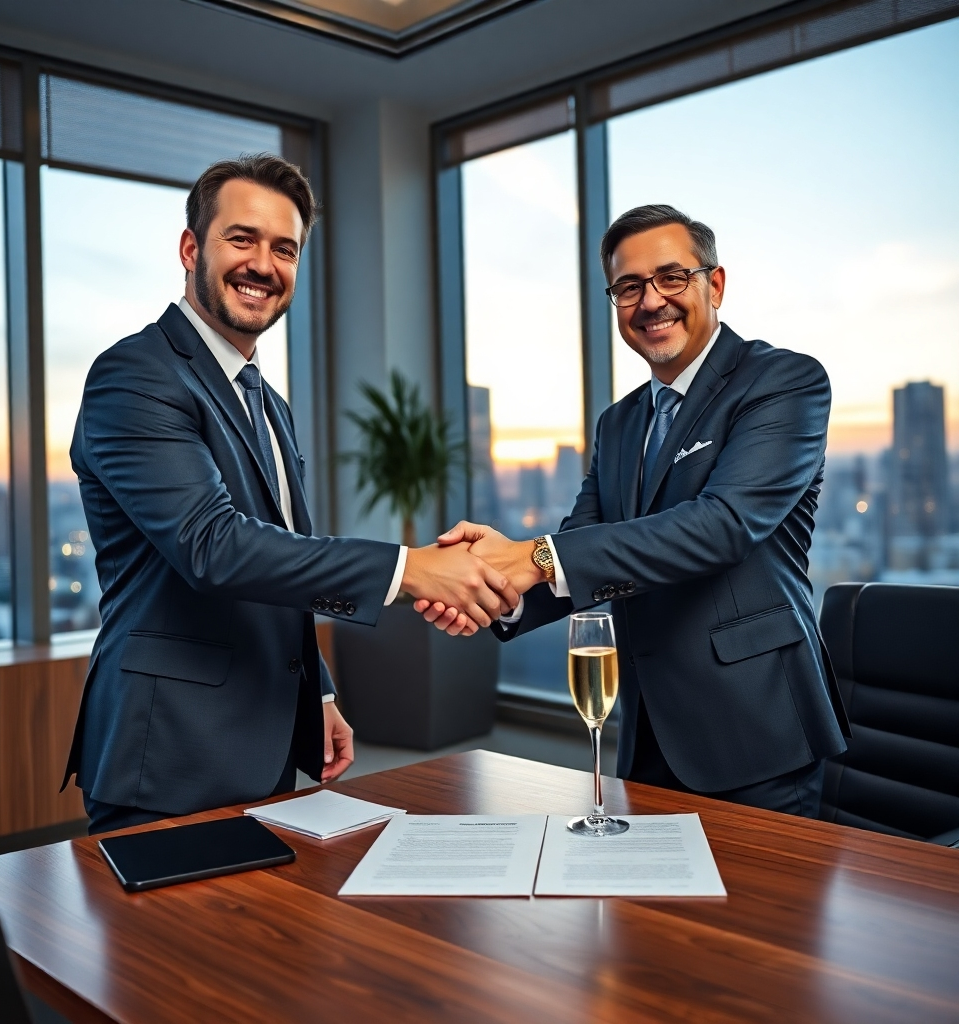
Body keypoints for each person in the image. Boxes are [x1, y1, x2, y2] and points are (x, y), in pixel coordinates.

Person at [63, 154, 518, 834]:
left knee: (259, 940)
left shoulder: (265, 401)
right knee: (171, 945)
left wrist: (320, 690)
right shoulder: (134, 375)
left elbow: (285, 554)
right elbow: (214, 547)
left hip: (263, 739)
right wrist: (410, 567)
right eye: (241, 239)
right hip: (168, 755)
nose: (263, 265)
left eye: (285, 249)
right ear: (191, 249)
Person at [417, 204, 850, 817]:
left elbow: (721, 527)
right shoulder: (619, 423)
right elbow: (584, 543)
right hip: (647, 731)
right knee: (643, 912)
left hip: (757, 730)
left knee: (762, 915)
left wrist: (530, 557)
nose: (651, 301)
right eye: (628, 286)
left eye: (671, 277)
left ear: (715, 284)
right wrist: (496, 591)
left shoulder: (783, 382)